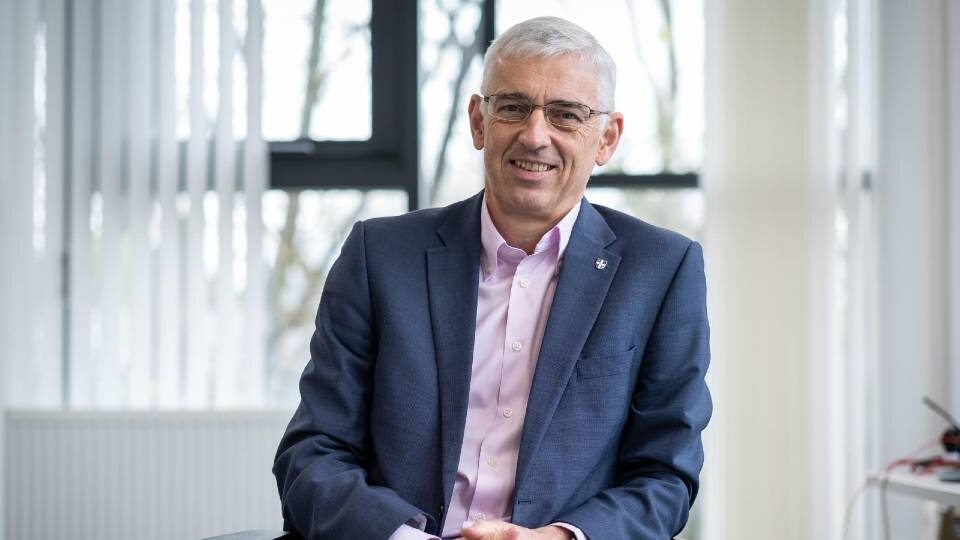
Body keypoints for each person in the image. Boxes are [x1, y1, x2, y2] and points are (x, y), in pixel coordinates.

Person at [273, 16, 711, 540]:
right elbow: (313, 451)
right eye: (513, 107)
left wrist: (558, 539)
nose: (534, 135)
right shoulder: (380, 256)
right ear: (479, 122)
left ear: (606, 138)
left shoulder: (661, 270)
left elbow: (665, 476)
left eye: (566, 115)